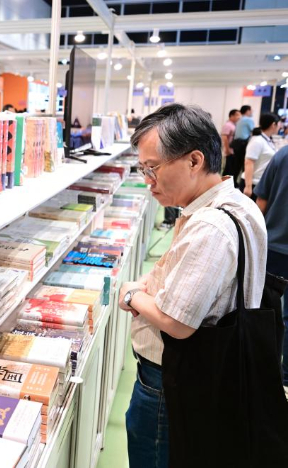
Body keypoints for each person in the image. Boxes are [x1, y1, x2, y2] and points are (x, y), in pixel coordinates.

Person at [120, 103, 267, 468]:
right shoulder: (236, 203)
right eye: (143, 169)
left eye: (152, 168)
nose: (148, 180)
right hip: (209, 375)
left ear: (194, 160)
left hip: (171, 382)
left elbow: (177, 322)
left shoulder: (210, 226)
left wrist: (132, 294)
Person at [255, 145, 288, 397]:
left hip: (274, 248)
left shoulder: (282, 155)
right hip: (275, 248)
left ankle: (264, 377)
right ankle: (285, 378)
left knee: (264, 314)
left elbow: (261, 202)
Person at [240, 112, 279, 200]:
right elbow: (249, 162)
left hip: (260, 183)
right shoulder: (257, 140)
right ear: (273, 124)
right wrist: (248, 186)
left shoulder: (267, 140)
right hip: (252, 184)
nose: (279, 127)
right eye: (278, 124)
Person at [225, 105, 254, 183]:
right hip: (243, 144)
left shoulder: (239, 120)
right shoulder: (249, 120)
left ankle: (233, 182)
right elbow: (253, 131)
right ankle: (243, 183)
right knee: (244, 165)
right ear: (248, 111)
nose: (252, 112)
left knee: (236, 165)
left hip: (236, 144)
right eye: (251, 110)